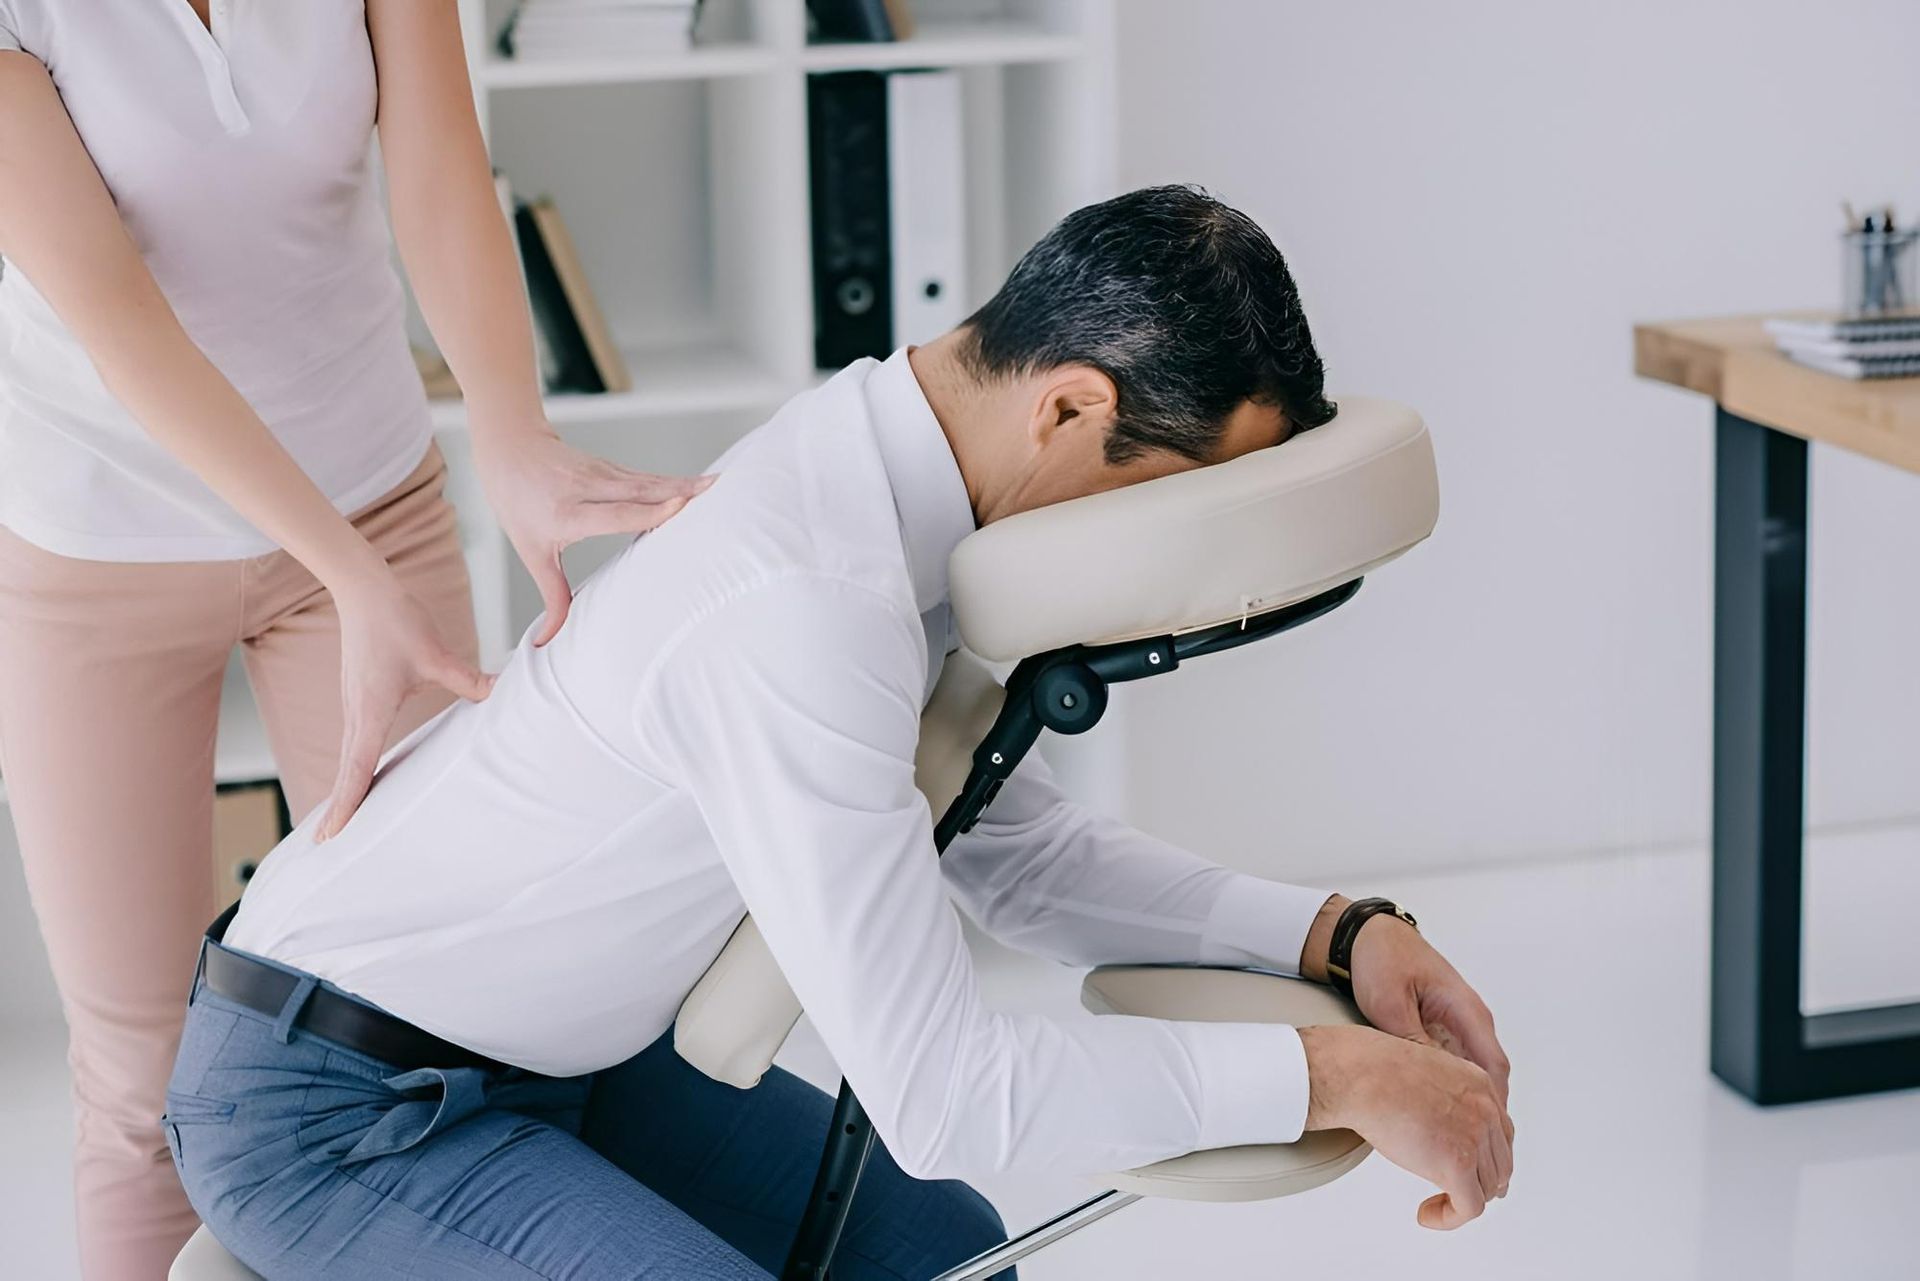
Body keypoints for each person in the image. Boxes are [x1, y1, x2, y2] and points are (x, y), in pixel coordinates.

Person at [169, 187, 1516, 1281]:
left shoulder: (888, 495)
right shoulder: (805, 602)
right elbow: (944, 1091)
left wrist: (1337, 934)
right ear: (1071, 409)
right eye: (1181, 496)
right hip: (339, 1104)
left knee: (946, 1258)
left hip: (565, 1059)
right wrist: (1334, 1074)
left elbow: (1007, 852)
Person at [0, 5, 706, 1275]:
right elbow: (113, 311)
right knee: (142, 1078)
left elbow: (437, 172)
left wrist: (511, 435)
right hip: (92, 556)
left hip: (373, 492)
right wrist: (339, 563)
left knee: (436, 1014)